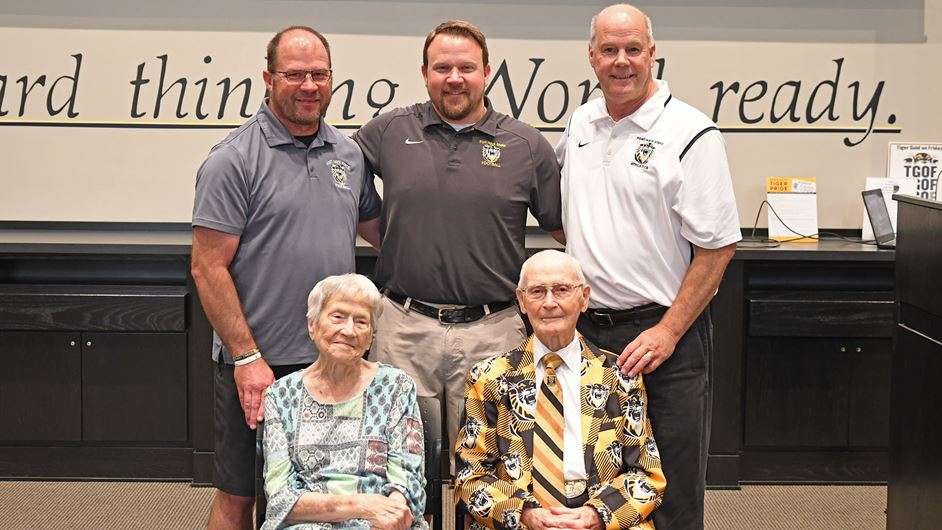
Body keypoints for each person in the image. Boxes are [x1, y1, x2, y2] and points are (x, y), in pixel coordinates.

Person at [556, 5, 741, 529]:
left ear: (653, 54)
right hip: (586, 334)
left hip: (663, 338)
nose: (622, 62)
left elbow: (718, 247)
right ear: (591, 57)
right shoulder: (581, 122)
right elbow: (572, 215)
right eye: (609, 50)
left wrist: (668, 331)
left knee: (674, 488)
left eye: (633, 49)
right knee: (592, 482)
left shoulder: (691, 131)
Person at [191, 26, 381, 529]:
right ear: (268, 79)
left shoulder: (349, 153)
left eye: (319, 74)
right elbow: (206, 267)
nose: (309, 85)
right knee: (240, 496)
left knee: (329, 497)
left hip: (336, 359)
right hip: (260, 364)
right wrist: (247, 357)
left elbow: (381, 232)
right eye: (294, 74)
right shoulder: (232, 160)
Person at [352, 20, 563, 456]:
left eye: (466, 67)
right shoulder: (388, 132)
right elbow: (340, 186)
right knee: (399, 471)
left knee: (492, 471)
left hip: (495, 332)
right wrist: (393, 240)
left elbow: (566, 229)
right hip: (402, 332)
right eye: (441, 67)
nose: (454, 78)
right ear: (425, 72)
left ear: (487, 72)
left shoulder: (526, 145)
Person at [455, 250, 664, 530]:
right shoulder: (489, 378)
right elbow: (471, 477)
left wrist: (595, 516)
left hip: (597, 519)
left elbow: (646, 476)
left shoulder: (620, 376)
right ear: (522, 301)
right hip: (521, 520)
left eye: (562, 290)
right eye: (538, 292)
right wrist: (526, 515)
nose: (549, 303)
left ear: (584, 298)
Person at [262, 274, 426, 530]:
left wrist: (391, 512)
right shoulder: (281, 395)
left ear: (372, 335)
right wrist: (364, 506)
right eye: (337, 317)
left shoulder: (396, 387)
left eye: (361, 321)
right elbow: (280, 499)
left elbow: (408, 482)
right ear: (312, 325)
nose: (349, 331)